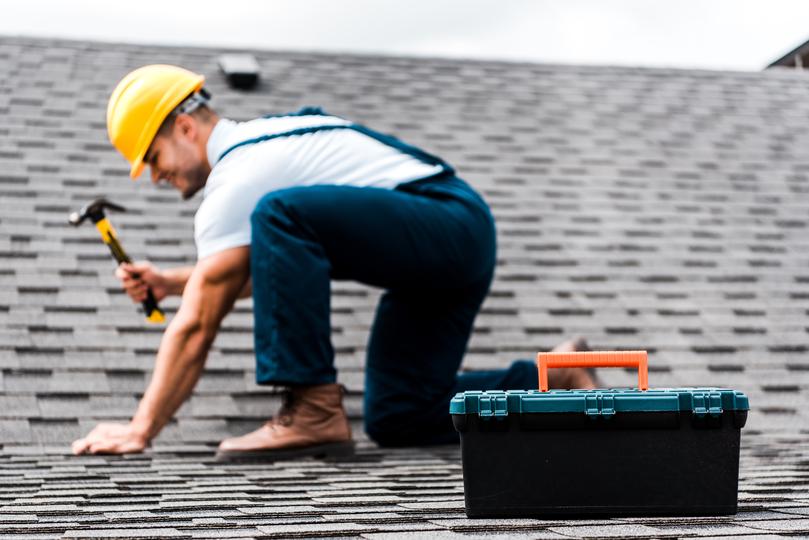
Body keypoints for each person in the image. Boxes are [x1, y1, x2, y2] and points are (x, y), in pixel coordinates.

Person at [71, 64, 596, 460]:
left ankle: (312, 409)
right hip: (445, 248)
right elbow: (271, 270)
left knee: (276, 214)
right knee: (400, 413)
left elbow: (198, 324)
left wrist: (140, 428)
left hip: (449, 221)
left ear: (185, 128)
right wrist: (171, 281)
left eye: (154, 159)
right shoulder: (258, 152)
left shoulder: (240, 176)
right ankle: (556, 377)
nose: (156, 177)